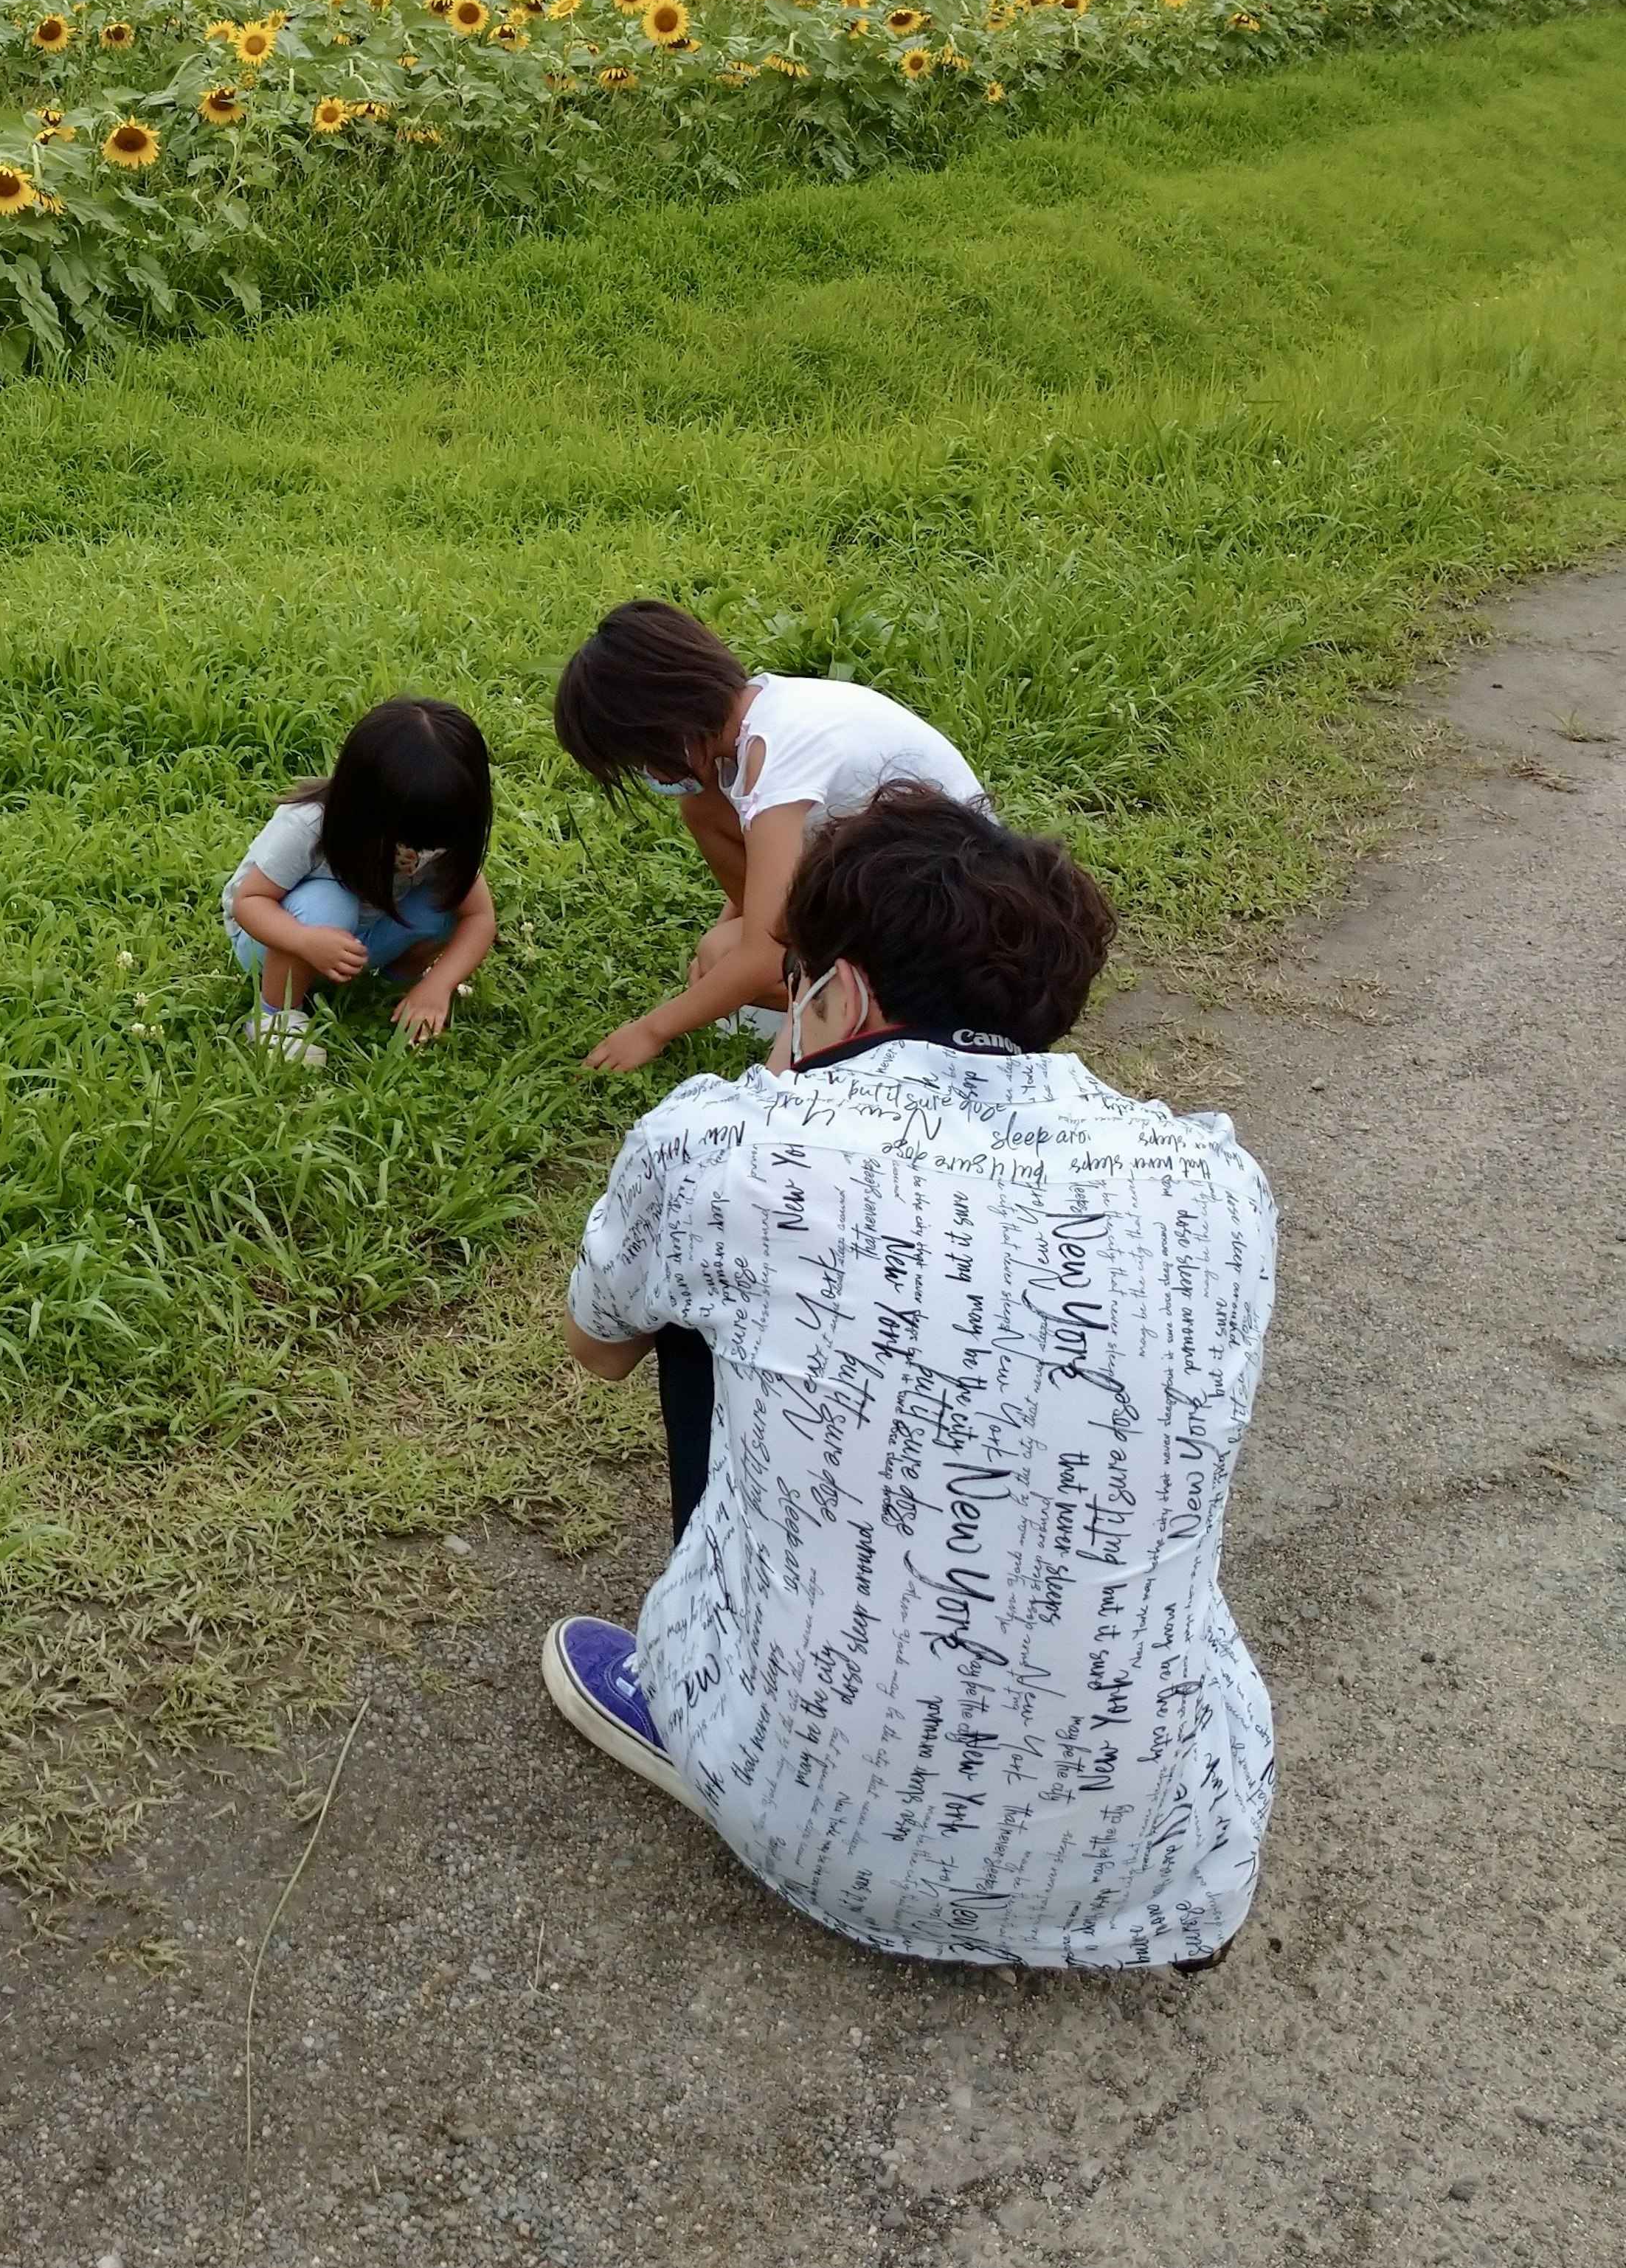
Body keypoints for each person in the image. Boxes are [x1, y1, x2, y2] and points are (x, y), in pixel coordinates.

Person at [542, 785, 1277, 1972]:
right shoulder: (1213, 1178)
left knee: (691, 1300)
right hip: (1177, 1860)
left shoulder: (726, 1147)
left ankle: (719, 1710)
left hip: (809, 1834)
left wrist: (786, 1082)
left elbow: (597, 1349)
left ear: (837, 990)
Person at [554, 600, 986, 1072]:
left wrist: (651, 1030)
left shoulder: (777, 756)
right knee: (717, 910)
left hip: (956, 939)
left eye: (641, 759)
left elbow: (761, 959)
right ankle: (816, 984)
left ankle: (883, 1015)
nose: (649, 773)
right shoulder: (764, 713)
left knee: (727, 958)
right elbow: (766, 894)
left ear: (663, 724)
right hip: (919, 900)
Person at [224, 698, 497, 1058]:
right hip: (277, 941)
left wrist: (439, 984)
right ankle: (275, 1018)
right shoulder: (308, 825)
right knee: (327, 902)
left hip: (358, 944)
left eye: (436, 844)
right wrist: (304, 941)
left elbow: (479, 917)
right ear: (358, 803)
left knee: (444, 901)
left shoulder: (442, 834)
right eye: (404, 839)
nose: (419, 855)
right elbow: (250, 902)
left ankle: (394, 991)